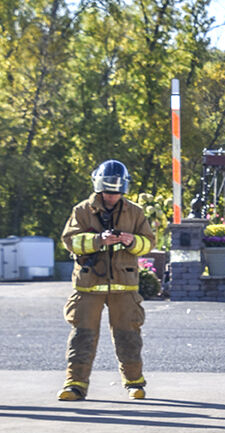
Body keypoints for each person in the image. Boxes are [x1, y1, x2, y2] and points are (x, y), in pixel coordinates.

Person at [59, 161, 156, 401]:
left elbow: (149, 242)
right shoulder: (82, 211)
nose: (112, 196)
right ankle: (75, 384)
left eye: (116, 192)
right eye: (108, 191)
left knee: (128, 336)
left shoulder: (135, 212)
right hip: (88, 285)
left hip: (124, 286)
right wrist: (97, 241)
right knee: (82, 335)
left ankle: (134, 383)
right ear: (99, 187)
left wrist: (132, 241)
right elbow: (69, 241)